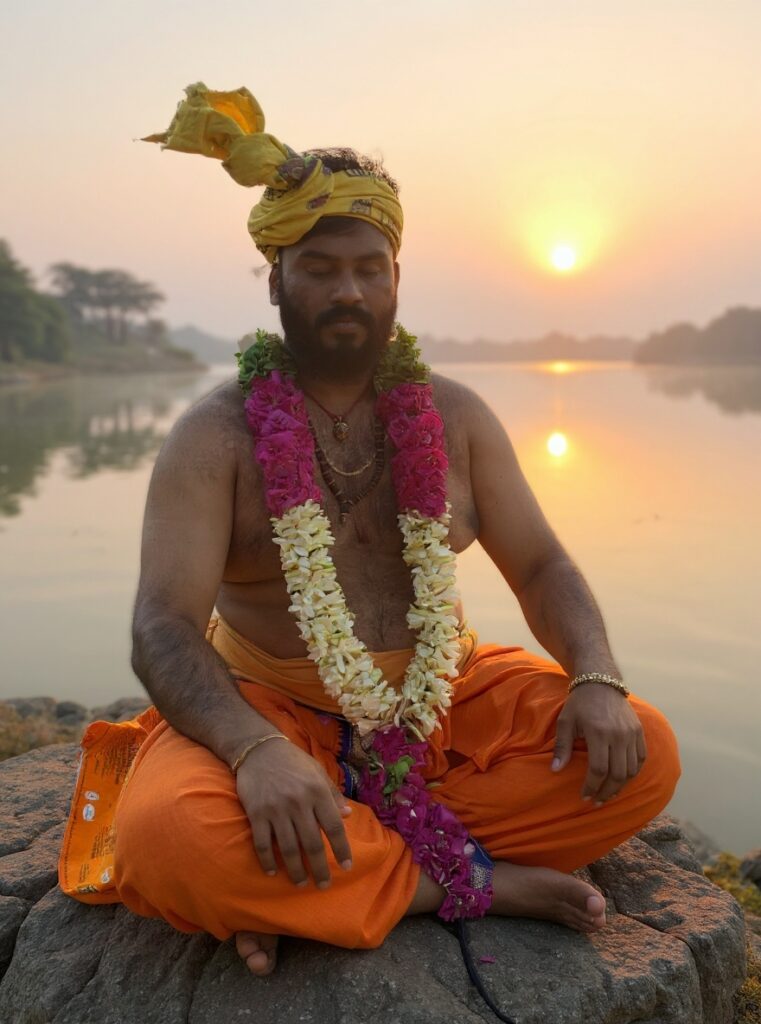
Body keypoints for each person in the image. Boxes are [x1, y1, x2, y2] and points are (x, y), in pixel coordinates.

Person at [58, 84, 681, 981]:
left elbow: (541, 563)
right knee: (172, 836)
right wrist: (254, 752)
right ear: (275, 278)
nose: (347, 290)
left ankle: (312, 872)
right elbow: (162, 626)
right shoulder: (213, 436)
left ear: (395, 276)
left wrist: (594, 674)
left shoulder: (455, 417)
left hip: (445, 699)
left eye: (368, 267)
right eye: (318, 268)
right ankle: (460, 880)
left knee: (642, 751)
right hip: (271, 709)